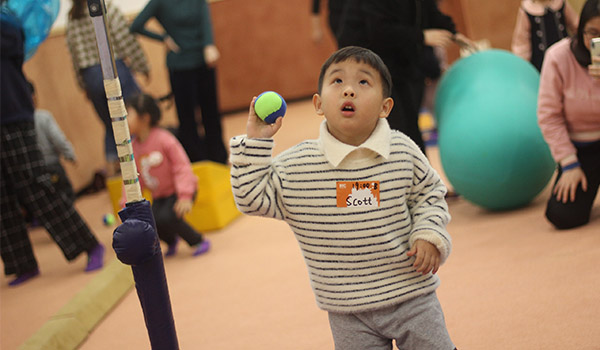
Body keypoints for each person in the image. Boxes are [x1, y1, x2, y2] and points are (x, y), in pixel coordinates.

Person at [230, 46, 456, 350]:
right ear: (319, 103)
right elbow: (251, 198)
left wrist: (429, 233)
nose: (349, 90)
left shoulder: (402, 151)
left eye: (363, 83)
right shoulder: (299, 167)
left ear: (385, 107)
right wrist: (256, 141)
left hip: (412, 295)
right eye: (337, 81)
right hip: (347, 311)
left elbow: (430, 194)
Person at [1, 9, 104, 287]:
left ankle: (89, 245)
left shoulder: (7, 21)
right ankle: (21, 262)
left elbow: (14, 42)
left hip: (12, 114)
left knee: (36, 184)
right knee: (2, 198)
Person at [336, 0, 471, 156]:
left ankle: (419, 173)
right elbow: (379, 31)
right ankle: (397, 173)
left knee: (411, 126)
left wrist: (453, 33)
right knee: (395, 127)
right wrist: (421, 36)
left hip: (400, 61)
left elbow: (429, 12)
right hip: (367, 65)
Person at [130, 0, 229, 165]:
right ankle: (197, 160)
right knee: (187, 117)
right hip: (180, 66)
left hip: (204, 62)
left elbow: (206, 21)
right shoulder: (159, 3)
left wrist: (209, 45)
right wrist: (164, 38)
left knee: (211, 113)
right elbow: (136, 25)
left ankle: (219, 158)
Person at [66, 0, 150, 176]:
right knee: (131, 122)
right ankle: (142, 172)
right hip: (114, 68)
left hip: (90, 77)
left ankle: (113, 180)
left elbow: (74, 57)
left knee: (110, 126)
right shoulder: (107, 8)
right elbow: (126, 41)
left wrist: (83, 85)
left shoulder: (73, 17)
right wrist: (142, 66)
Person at [123, 93, 211, 257]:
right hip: (161, 194)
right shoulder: (133, 148)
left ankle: (198, 240)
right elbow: (133, 178)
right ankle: (171, 241)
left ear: (145, 118)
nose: (125, 119)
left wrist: (185, 195)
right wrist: (127, 205)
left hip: (180, 191)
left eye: (129, 114)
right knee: (151, 220)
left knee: (169, 216)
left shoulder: (164, 140)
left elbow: (182, 167)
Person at [537, 0, 600, 230]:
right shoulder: (558, 56)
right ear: (581, 27)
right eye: (592, 32)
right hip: (580, 150)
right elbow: (549, 115)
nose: (597, 41)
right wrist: (569, 164)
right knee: (563, 215)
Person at [29, 81, 77, 204]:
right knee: (66, 198)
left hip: (33, 173)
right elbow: (58, 139)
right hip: (52, 166)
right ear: (34, 96)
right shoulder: (43, 117)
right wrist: (70, 154)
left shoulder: (18, 126)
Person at [511, 0, 579, 71]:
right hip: (541, 62)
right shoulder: (527, 10)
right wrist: (522, 65)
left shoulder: (560, 3)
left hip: (565, 56)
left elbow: (576, 25)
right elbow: (522, 41)